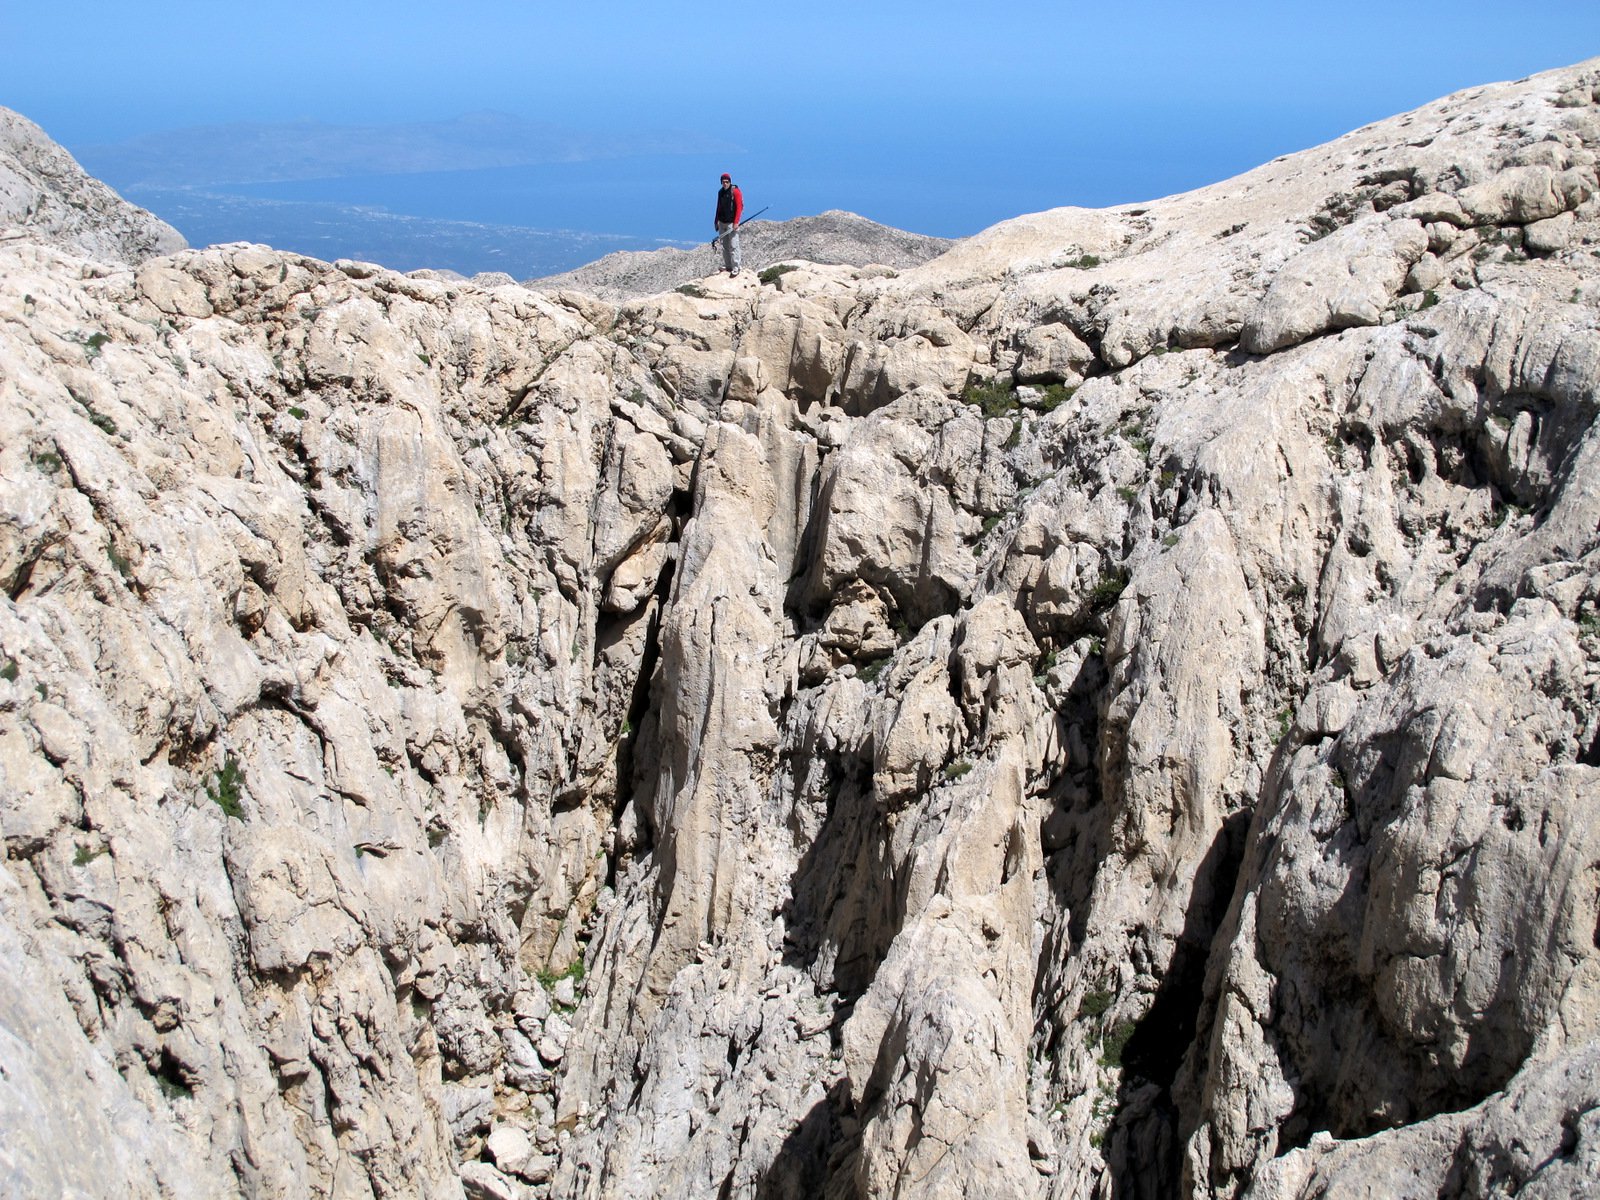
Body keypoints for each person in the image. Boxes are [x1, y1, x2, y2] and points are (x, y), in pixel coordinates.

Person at [714, 173, 743, 275]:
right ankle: (728, 266)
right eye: (723, 182)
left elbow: (739, 207)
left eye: (727, 182)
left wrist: (736, 222)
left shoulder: (735, 192)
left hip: (731, 223)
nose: (725, 184)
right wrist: (716, 221)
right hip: (722, 222)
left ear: (730, 182)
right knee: (725, 246)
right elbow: (718, 207)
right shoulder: (720, 192)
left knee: (734, 245)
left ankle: (736, 266)